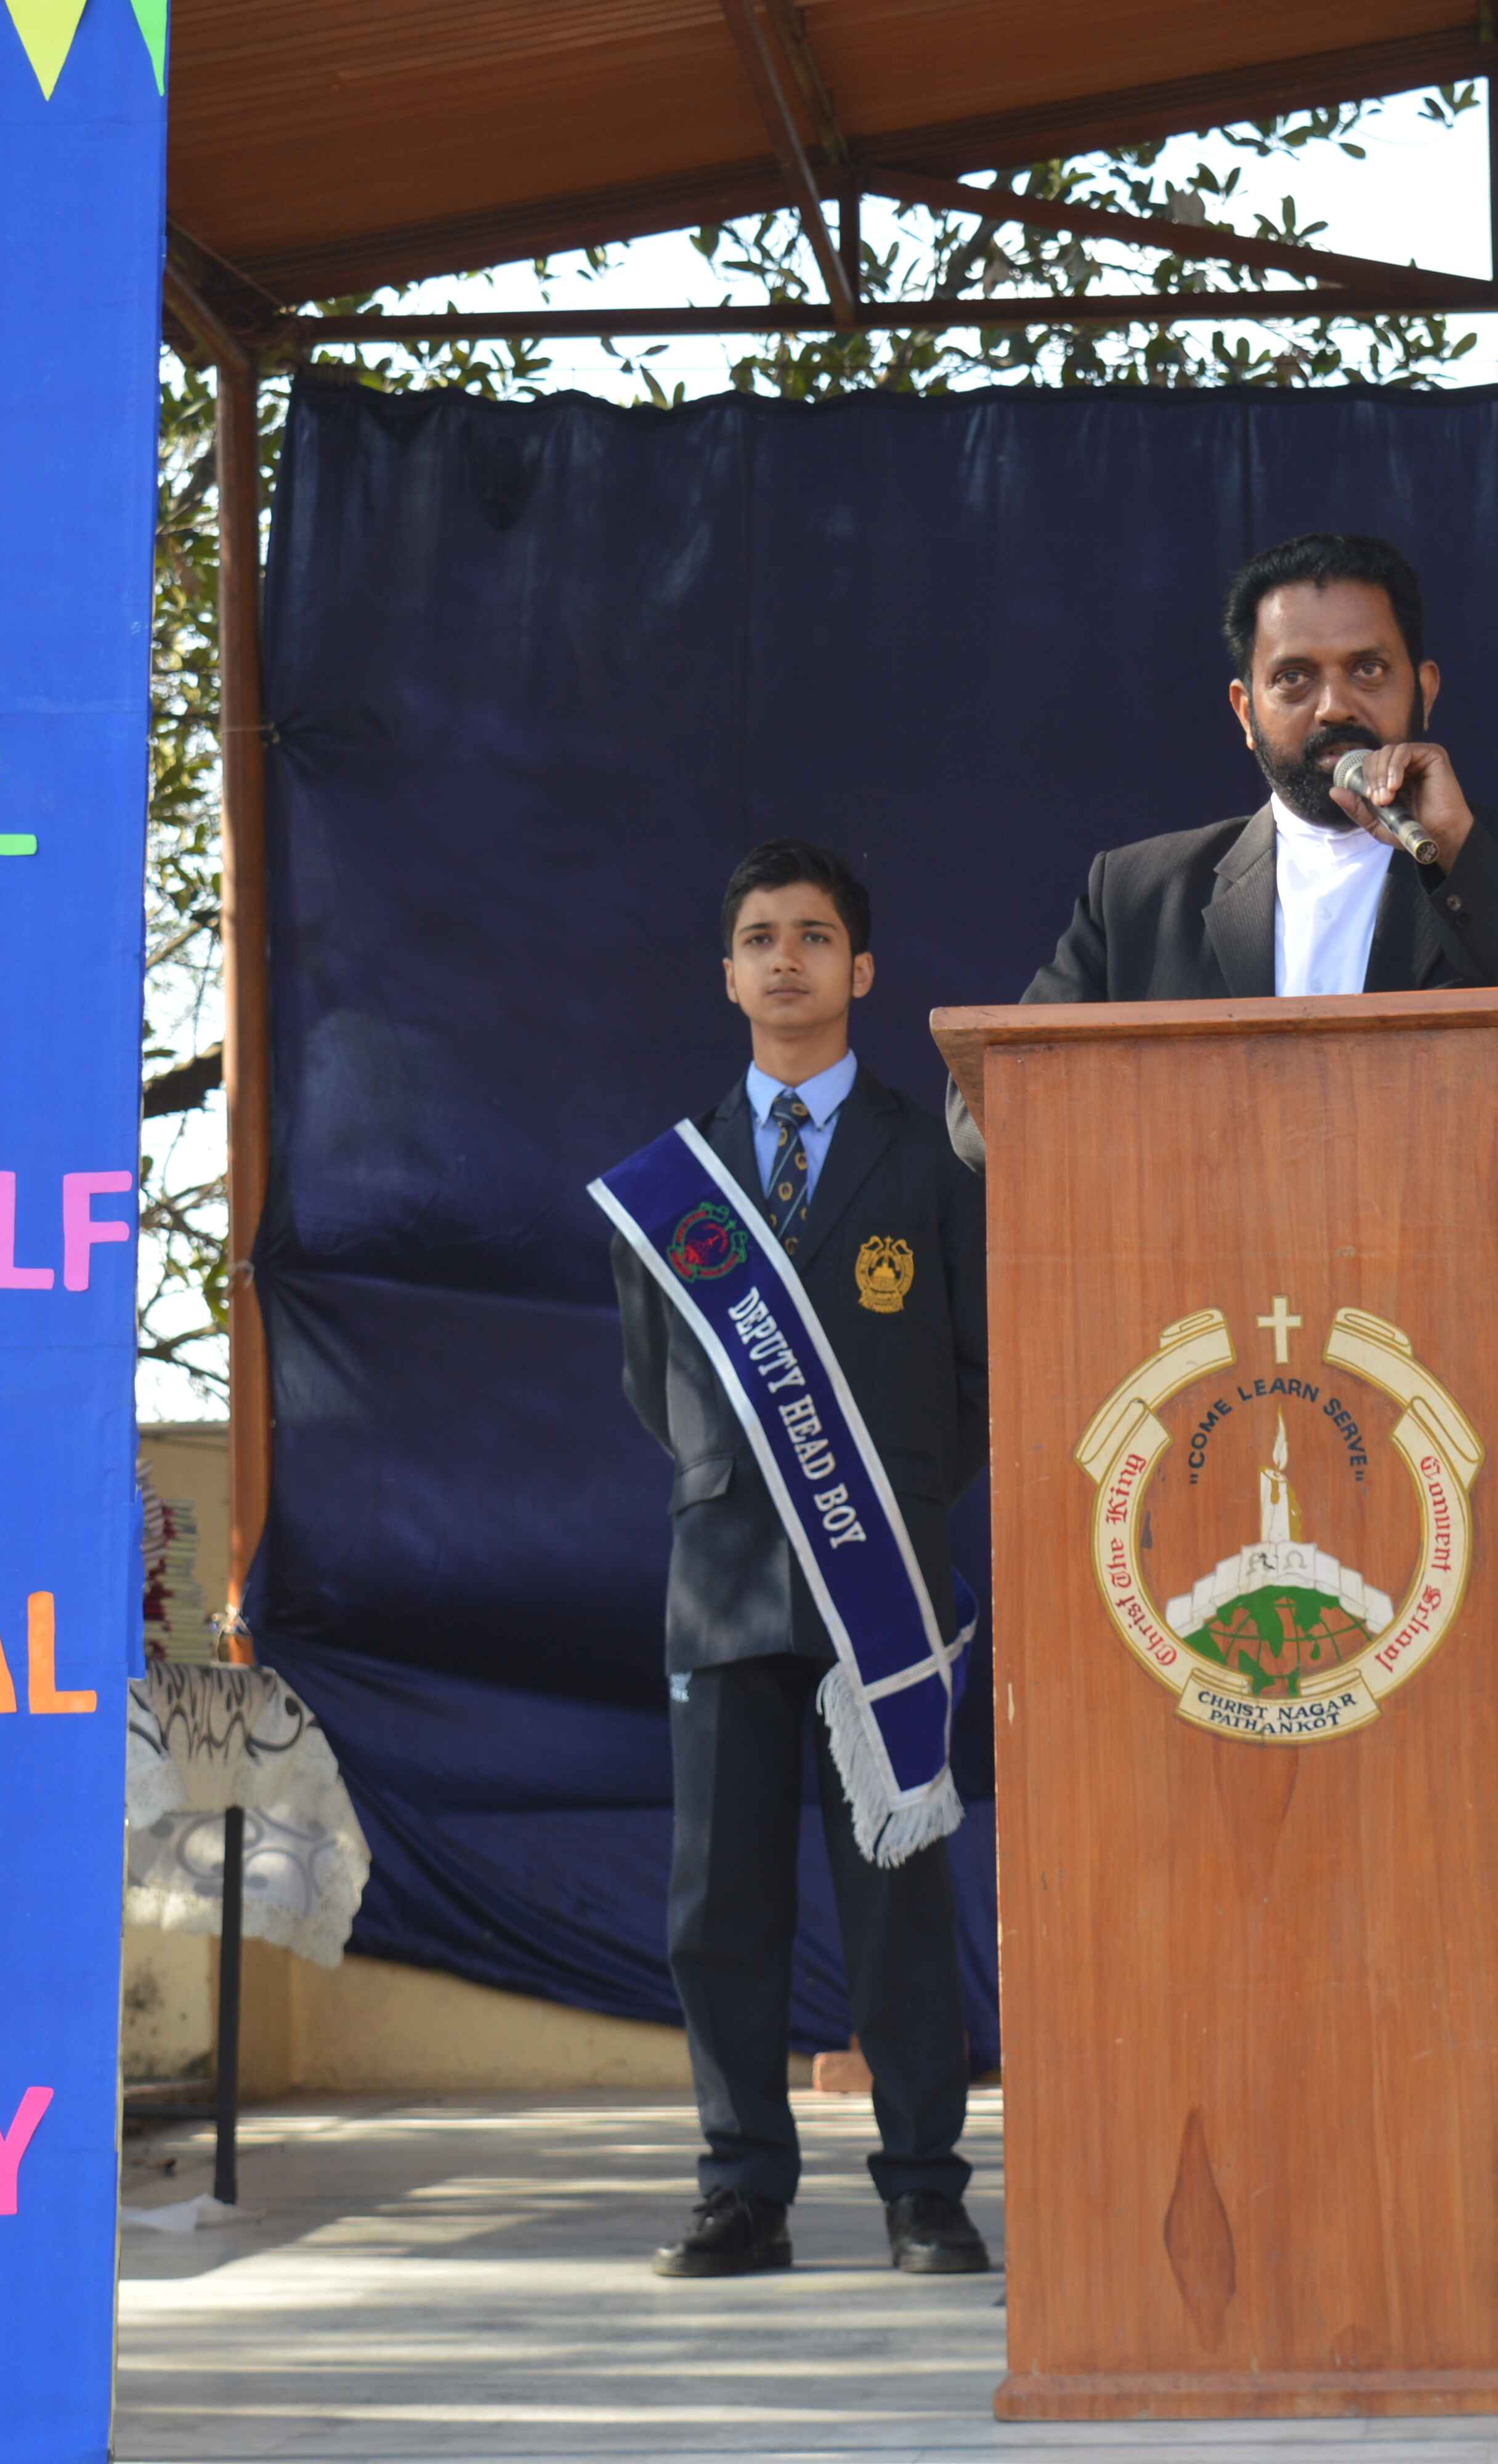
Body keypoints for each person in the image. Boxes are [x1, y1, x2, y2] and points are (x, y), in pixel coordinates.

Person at [599, 840, 992, 2282]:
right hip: (722, 1589)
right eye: (759, 935)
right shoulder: (672, 1181)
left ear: (860, 968)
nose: (785, 958)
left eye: (814, 935)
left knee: (899, 1902)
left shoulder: (932, 1157)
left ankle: (923, 2189)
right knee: (720, 1905)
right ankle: (740, 2190)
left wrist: (885, 1498)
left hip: (880, 1581)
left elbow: (977, 1371)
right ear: (726, 973)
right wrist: (753, 1489)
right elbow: (656, 1384)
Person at [948, 531, 1498, 1163]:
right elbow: (984, 1115)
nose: (1333, 705)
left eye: (1367, 669)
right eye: (1293, 678)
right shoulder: (1139, 891)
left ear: (1425, 690)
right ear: (1244, 711)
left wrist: (1456, 851)